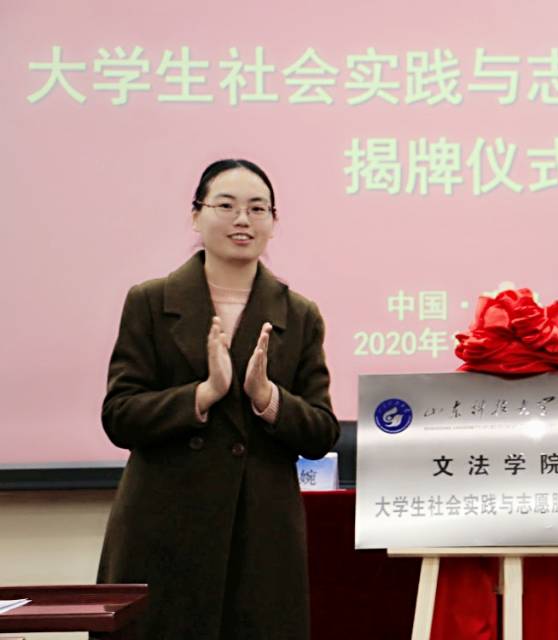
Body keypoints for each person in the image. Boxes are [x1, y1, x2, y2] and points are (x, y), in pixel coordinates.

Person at [97, 159, 340, 639]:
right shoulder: (151, 302)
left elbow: (321, 431)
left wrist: (268, 398)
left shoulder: (299, 314)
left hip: (260, 534)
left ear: (273, 222)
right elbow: (119, 415)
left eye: (257, 208)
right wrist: (202, 395)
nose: (242, 220)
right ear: (196, 215)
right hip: (164, 526)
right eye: (226, 206)